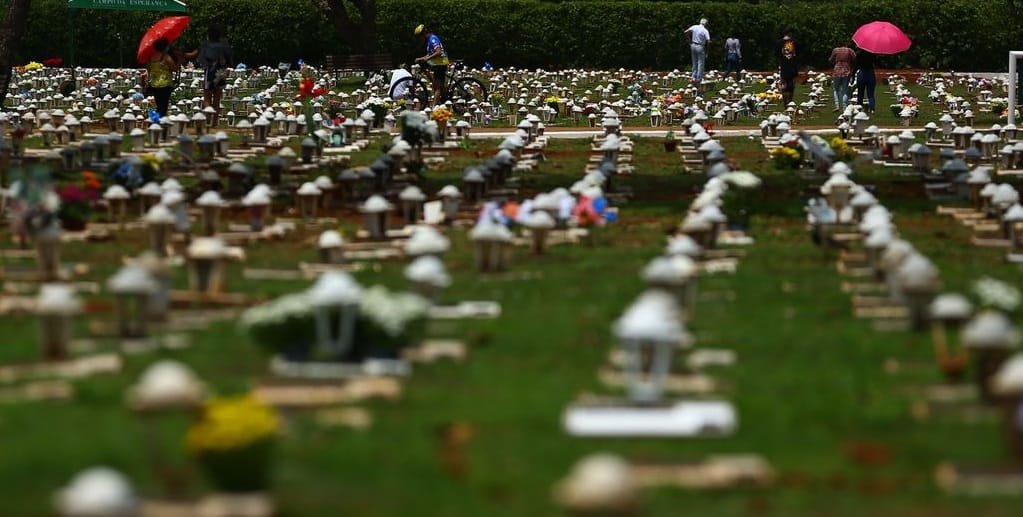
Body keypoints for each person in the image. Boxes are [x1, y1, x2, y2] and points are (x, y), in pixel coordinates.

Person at [196, 26, 233, 126]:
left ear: (209, 36)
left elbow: (201, 60)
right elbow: (230, 60)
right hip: (221, 72)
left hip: (211, 72)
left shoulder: (206, 46)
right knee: (217, 98)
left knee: (207, 97)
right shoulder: (224, 46)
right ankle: (215, 122)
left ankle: (208, 120)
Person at [414, 24, 450, 106]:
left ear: (423, 34)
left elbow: (438, 52)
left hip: (441, 63)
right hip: (437, 64)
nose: (419, 39)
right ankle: (442, 100)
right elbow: (430, 54)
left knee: (436, 87)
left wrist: (427, 59)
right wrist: (421, 58)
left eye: (419, 37)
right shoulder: (429, 40)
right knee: (437, 85)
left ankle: (433, 108)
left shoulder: (432, 39)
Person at [145, 38, 180, 118]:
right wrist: (179, 61)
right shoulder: (165, 57)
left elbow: (149, 69)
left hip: (154, 84)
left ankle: (156, 121)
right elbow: (175, 68)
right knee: (163, 106)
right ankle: (157, 121)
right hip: (165, 84)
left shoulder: (151, 57)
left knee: (159, 104)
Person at [683, 18, 710, 89]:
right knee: (700, 63)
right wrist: (707, 51)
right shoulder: (705, 30)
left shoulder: (694, 27)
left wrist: (689, 41)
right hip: (700, 46)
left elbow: (685, 32)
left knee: (694, 62)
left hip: (693, 45)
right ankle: (698, 79)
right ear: (706, 24)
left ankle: (693, 77)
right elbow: (708, 41)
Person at [829, 42, 856, 112]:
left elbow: (830, 60)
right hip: (846, 71)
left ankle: (837, 106)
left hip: (837, 71)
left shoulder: (835, 50)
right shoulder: (849, 50)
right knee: (845, 90)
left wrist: (835, 62)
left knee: (836, 89)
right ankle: (844, 106)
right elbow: (855, 59)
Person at [777, 28, 799, 105]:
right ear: (790, 33)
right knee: (791, 85)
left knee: (784, 84)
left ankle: (785, 102)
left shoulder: (779, 43)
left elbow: (778, 54)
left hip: (783, 65)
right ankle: (790, 102)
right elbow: (797, 53)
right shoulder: (795, 42)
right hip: (793, 65)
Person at [854, 47, 877, 113]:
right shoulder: (872, 53)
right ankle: (872, 108)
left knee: (860, 93)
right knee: (871, 94)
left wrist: (853, 75)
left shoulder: (859, 54)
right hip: (870, 73)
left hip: (862, 73)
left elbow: (856, 65)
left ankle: (859, 107)